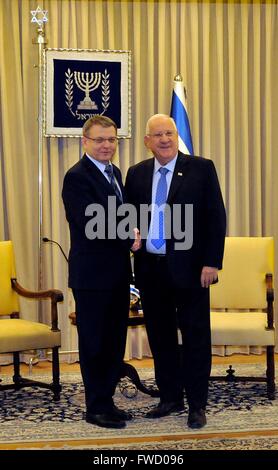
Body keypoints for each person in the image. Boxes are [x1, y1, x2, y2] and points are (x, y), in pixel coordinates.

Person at [125, 114, 226, 429]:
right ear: (147, 141)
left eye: (169, 132)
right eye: (157, 134)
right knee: (161, 337)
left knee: (195, 337)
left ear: (176, 135)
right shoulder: (136, 173)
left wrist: (212, 262)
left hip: (193, 271)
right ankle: (170, 397)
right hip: (151, 271)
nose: (164, 139)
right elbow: (128, 216)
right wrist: (131, 234)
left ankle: (197, 404)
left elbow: (215, 217)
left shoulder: (201, 168)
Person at [62, 115, 140, 429]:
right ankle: (95, 408)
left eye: (111, 140)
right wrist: (130, 236)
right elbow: (90, 223)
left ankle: (107, 401)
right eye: (99, 140)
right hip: (92, 276)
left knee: (113, 342)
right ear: (86, 142)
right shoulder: (77, 177)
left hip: (118, 273)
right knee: (94, 343)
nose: (107, 145)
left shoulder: (115, 173)